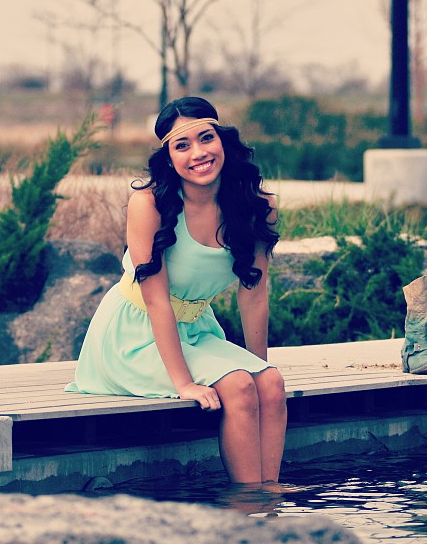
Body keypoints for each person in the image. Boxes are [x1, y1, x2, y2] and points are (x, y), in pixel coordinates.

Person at [66, 96, 288, 486]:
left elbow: (254, 294)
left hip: (196, 330)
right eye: (182, 145)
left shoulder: (258, 204)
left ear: (223, 140)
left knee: (270, 383)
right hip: (133, 336)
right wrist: (184, 383)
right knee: (238, 384)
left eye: (206, 138)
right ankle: (247, 503)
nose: (198, 153)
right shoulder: (149, 204)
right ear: (168, 158)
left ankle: (269, 499)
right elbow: (156, 301)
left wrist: (259, 369)